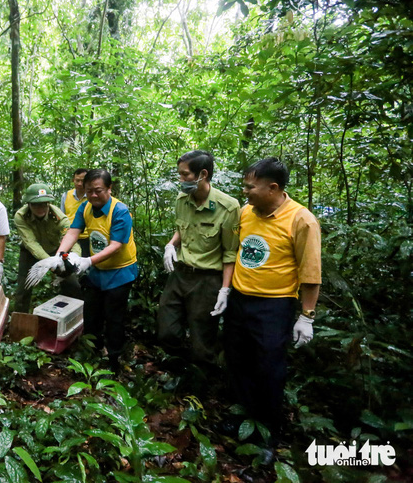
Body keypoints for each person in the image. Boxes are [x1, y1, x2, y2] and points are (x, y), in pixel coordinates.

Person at [223, 158, 321, 440]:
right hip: (240, 300)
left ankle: (268, 431)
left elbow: (310, 271)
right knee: (237, 359)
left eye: (250, 187)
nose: (245, 192)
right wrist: (226, 291)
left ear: (273, 188)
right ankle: (243, 419)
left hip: (273, 306)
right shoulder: (246, 212)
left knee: (268, 367)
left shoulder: (301, 220)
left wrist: (306, 316)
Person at [156, 150, 240, 365]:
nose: (181, 180)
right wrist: (170, 244)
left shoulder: (228, 207)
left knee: (202, 343)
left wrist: (224, 289)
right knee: (167, 332)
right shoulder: (182, 199)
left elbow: (230, 253)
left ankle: (200, 385)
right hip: (180, 273)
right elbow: (182, 228)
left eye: (185, 175)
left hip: (207, 280)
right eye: (180, 174)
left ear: (203, 174)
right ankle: (178, 371)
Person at [56, 169, 138, 371]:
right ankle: (92, 353)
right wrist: (60, 253)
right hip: (97, 271)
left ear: (109, 189)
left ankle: (114, 360)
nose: (93, 195)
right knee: (91, 314)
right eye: (89, 190)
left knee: (114, 317)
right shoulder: (85, 207)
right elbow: (74, 230)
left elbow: (115, 245)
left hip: (119, 271)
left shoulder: (120, 211)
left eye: (98, 191)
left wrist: (88, 261)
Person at [14, 184, 82, 312]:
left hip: (57, 250)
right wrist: (49, 263)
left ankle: (74, 317)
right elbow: (31, 243)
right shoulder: (21, 216)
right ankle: (20, 322)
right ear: (28, 204)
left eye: (45, 204)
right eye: (36, 204)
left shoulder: (59, 218)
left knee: (72, 285)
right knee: (23, 289)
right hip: (30, 253)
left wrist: (73, 258)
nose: (41, 208)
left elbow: (70, 239)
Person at [60, 168, 90, 256]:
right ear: (73, 180)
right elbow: (62, 216)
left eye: (82, 181)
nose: (80, 183)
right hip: (69, 236)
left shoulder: (92, 196)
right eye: (77, 180)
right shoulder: (66, 195)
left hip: (87, 237)